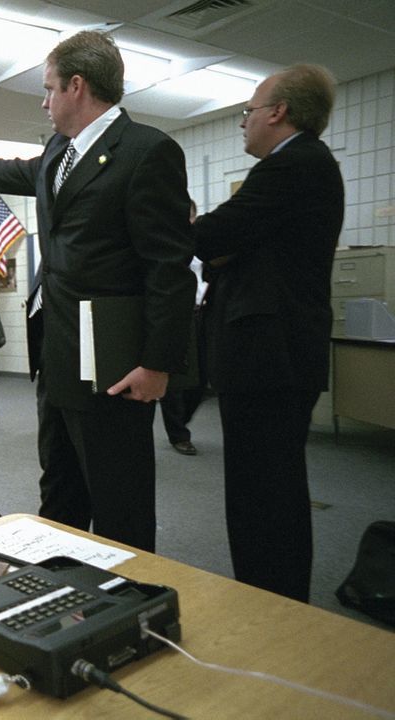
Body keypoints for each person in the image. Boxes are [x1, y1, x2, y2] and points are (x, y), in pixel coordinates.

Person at [0, 31, 195, 552]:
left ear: (77, 87)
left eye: (49, 89)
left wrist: (159, 363)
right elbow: (13, 171)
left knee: (118, 498)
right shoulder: (60, 150)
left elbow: (169, 269)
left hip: (112, 360)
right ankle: (59, 589)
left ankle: (126, 608)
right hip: (58, 351)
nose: (43, 102)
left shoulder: (147, 152)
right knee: (59, 487)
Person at [193, 64, 343, 603]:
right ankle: (272, 597)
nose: (243, 123)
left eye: (248, 112)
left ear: (278, 112)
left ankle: (273, 603)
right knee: (269, 487)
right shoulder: (305, 167)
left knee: (264, 494)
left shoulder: (293, 165)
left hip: (268, 359)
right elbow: (233, 249)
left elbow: (215, 236)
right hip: (276, 357)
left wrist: (172, 225)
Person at [158, 199, 209, 455]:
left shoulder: (204, 241)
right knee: (174, 380)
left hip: (203, 314)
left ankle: (181, 421)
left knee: (202, 378)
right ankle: (178, 434)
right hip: (178, 315)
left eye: (189, 216)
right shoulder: (167, 245)